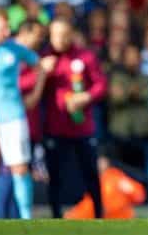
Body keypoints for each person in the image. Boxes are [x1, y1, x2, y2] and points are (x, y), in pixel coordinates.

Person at [0, 10, 54, 219]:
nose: (40, 41)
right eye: (38, 35)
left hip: (14, 118)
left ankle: (26, 219)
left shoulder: (14, 50)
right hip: (0, 119)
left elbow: (41, 67)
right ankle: (5, 219)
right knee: (7, 169)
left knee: (18, 167)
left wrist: (34, 95)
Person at [41, 17, 107, 218]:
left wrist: (86, 96)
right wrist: (41, 73)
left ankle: (99, 215)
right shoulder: (44, 59)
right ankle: (56, 217)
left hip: (82, 128)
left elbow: (101, 85)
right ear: (50, 36)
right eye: (56, 35)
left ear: (71, 34)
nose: (60, 39)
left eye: (64, 35)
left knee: (91, 174)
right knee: (55, 176)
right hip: (55, 128)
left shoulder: (85, 57)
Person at [64, 156, 145, 219]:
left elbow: (138, 195)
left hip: (121, 216)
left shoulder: (116, 176)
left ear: (106, 162)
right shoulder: (95, 180)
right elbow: (89, 203)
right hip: (106, 216)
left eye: (101, 162)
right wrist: (74, 213)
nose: (99, 165)